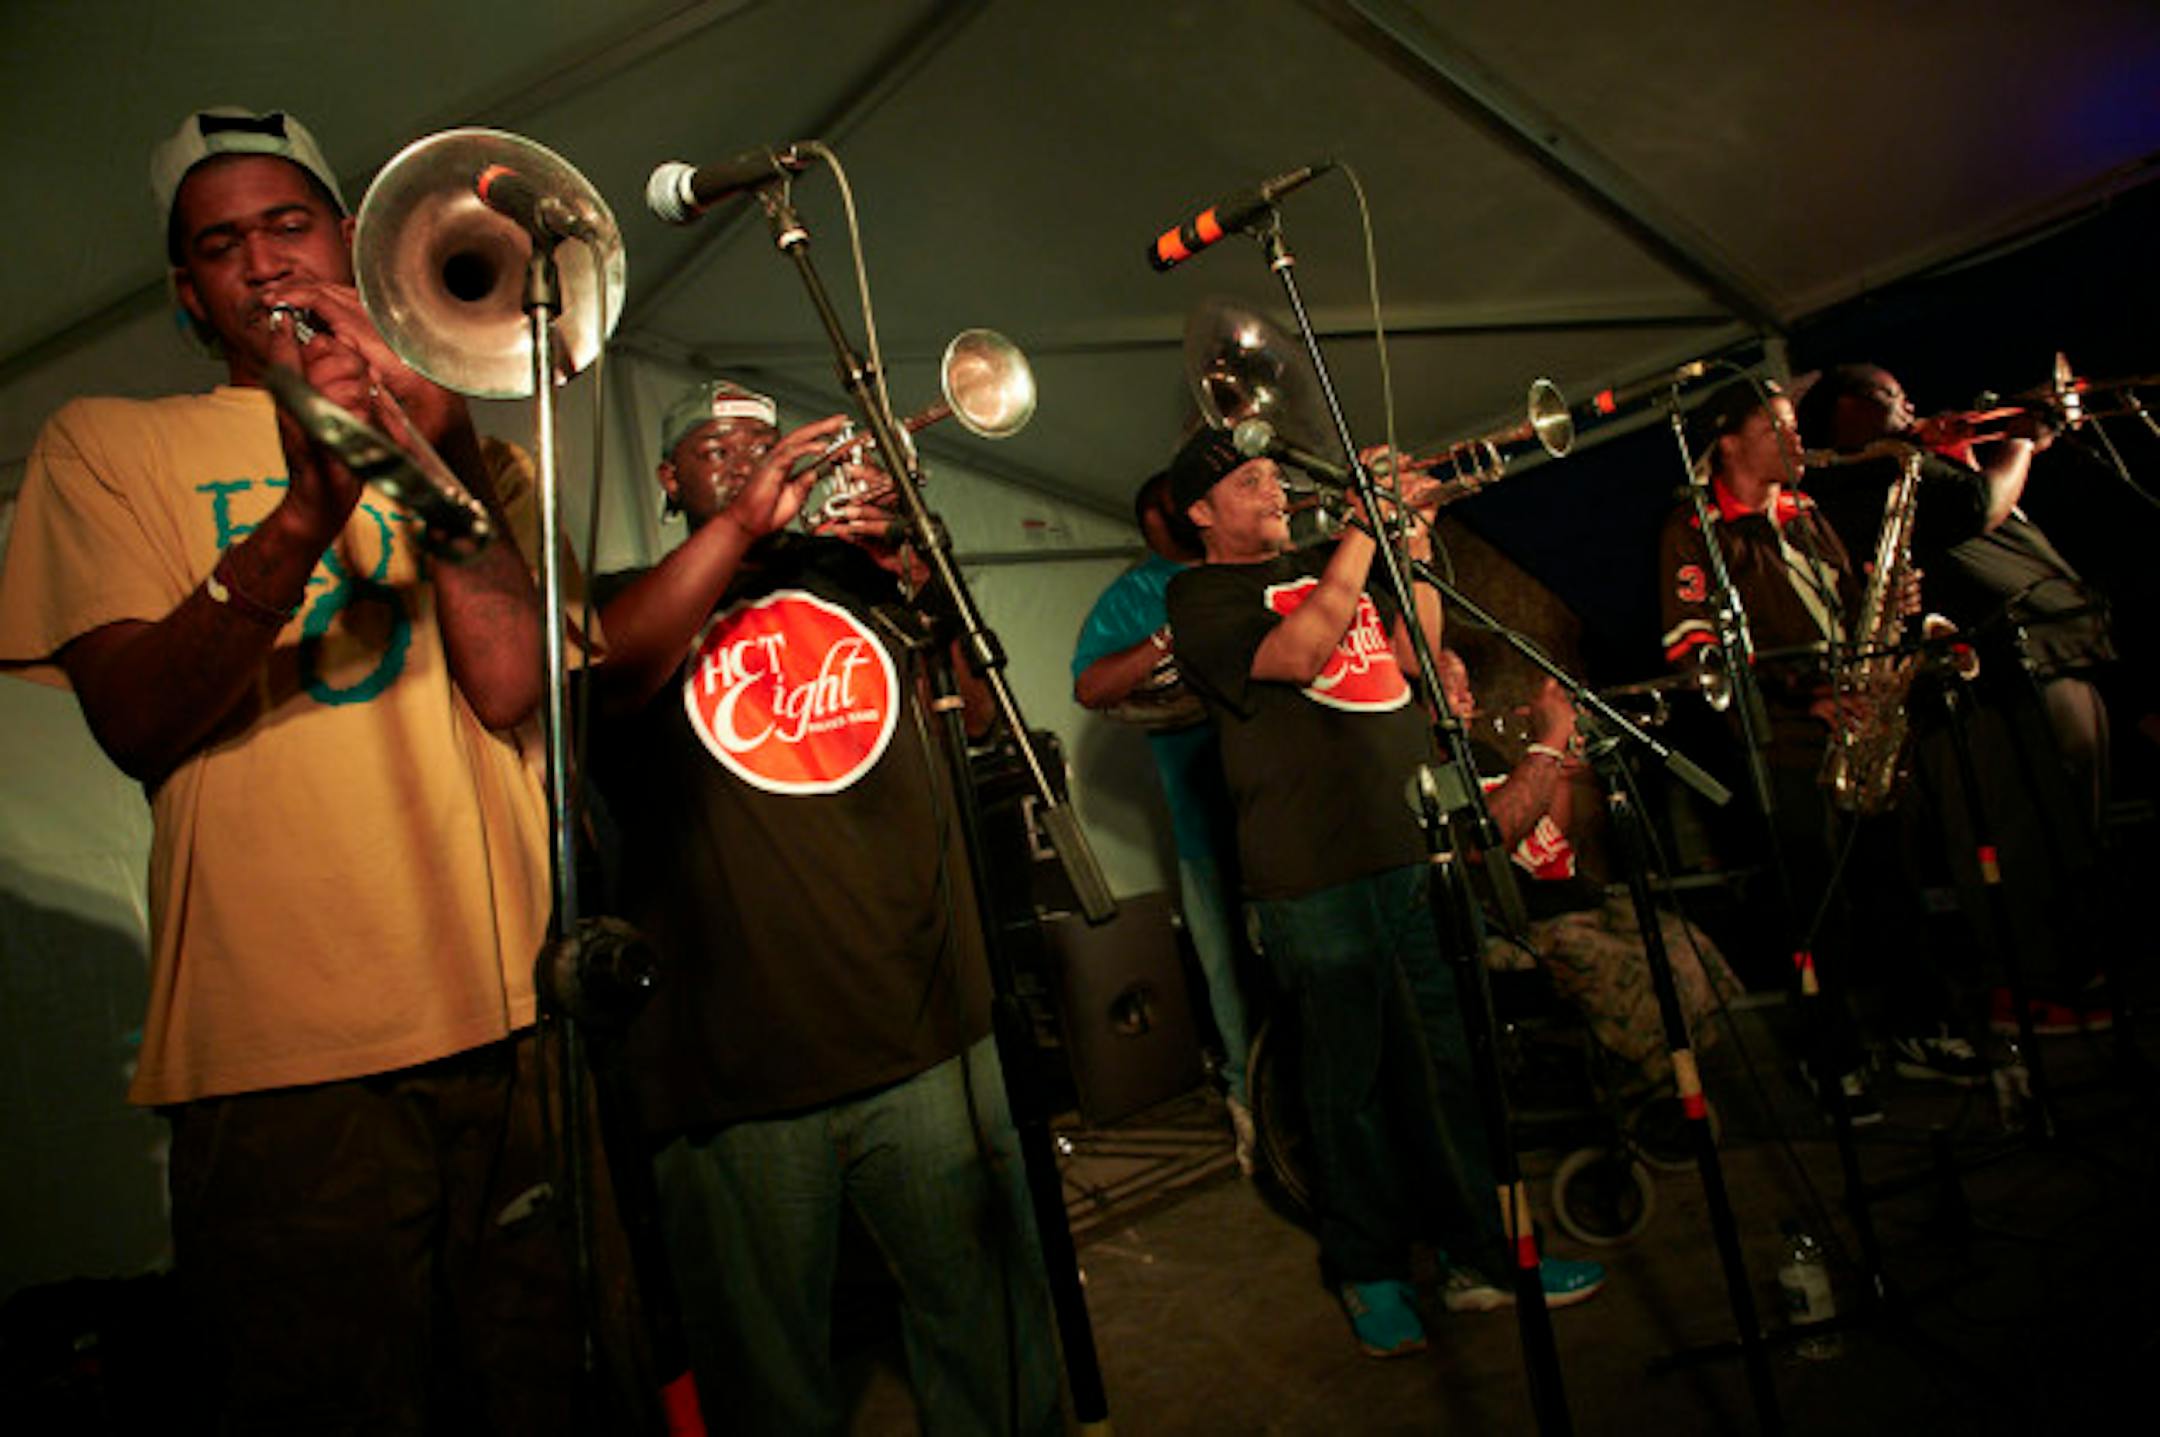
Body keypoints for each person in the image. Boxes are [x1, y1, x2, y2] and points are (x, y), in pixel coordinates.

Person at [0, 108, 643, 1432]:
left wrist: (439, 448)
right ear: (190, 295)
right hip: (276, 1062)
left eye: (289, 225)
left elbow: (516, 683)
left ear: (357, 242)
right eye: (221, 245)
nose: (264, 262)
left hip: (514, 1017)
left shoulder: (485, 452)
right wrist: (307, 508)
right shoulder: (103, 443)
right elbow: (134, 716)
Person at [582, 379, 1059, 1435]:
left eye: (766, 443)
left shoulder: (859, 579)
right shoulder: (623, 594)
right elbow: (611, 677)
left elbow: (978, 719)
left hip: (925, 1029)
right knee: (767, 1373)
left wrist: (912, 560)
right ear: (669, 480)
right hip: (732, 1072)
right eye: (720, 448)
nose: (755, 462)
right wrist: (749, 525)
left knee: (990, 1335)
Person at [1162, 429, 1603, 1359]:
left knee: (1444, 1068)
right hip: (1311, 873)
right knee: (1348, 1084)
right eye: (1252, 481)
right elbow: (1300, 651)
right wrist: (1363, 530)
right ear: (1202, 512)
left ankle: (1480, 1257)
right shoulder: (1200, 595)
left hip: (1409, 851)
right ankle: (1368, 1270)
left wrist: (1415, 550)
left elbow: (1410, 656)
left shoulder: (1337, 562)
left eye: (1275, 474)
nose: (1276, 490)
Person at [1658, 378, 1989, 1125]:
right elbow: (1695, 656)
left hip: (1860, 723)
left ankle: (1918, 1025)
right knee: (1816, 912)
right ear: (1732, 442)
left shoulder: (1804, 512)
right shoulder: (1696, 529)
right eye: (1778, 427)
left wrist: (1893, 604)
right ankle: (1830, 1054)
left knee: (1894, 884)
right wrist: (1803, 693)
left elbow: (1848, 602)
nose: (1796, 437)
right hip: (1788, 746)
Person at [1797, 363, 2116, 1036]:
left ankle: (2064, 969)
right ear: (1851, 409)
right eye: (1894, 394)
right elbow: (1977, 506)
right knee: (2017, 838)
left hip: (2043, 662)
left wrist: (1960, 446)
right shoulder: (1866, 472)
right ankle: (2026, 986)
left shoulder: (1906, 462)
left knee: (2063, 834)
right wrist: (2023, 439)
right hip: (1983, 689)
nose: (1912, 401)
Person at [1431, 651, 1742, 1096]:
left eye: (1466, 685)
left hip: (1566, 898)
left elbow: (1552, 842)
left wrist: (1559, 775)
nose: (1467, 697)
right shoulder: (1431, 764)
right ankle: (1650, 1104)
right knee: (1633, 976)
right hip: (1512, 922)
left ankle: (1678, 1090)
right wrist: (1550, 741)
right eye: (1449, 687)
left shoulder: (1482, 753)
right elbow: (1487, 842)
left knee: (1684, 946)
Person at [1070, 469, 1254, 1169]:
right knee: (1230, 975)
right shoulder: (1136, 594)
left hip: (1290, 811)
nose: (1167, 532)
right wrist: (1165, 642)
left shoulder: (1250, 566)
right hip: (1207, 824)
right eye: (1155, 526)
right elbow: (1090, 684)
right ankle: (1250, 1106)